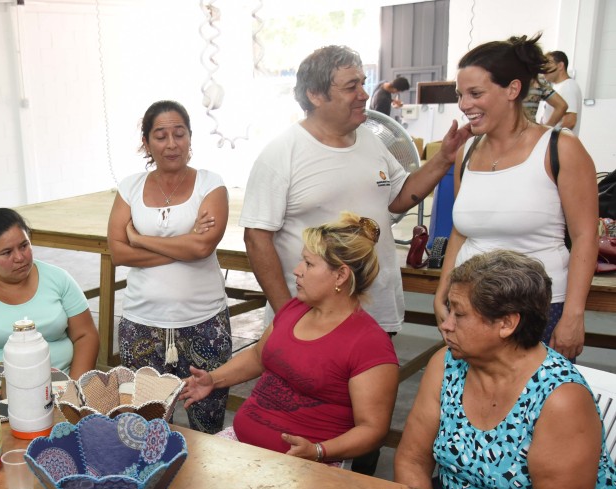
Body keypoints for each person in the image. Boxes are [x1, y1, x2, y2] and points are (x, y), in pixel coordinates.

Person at [396, 250, 616, 489]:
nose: (445, 325)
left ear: (507, 324)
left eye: (459, 314)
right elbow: (413, 459)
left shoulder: (559, 398)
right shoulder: (447, 364)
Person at [241, 45, 470, 335]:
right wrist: (286, 314)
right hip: (312, 319)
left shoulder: (371, 141)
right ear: (315, 94)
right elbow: (256, 238)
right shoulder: (282, 154)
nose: (363, 93)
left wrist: (443, 158)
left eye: (362, 83)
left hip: (376, 312)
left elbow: (399, 199)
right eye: (352, 86)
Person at [179, 212, 399, 464]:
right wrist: (214, 380)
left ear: (340, 275)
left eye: (308, 263)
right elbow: (258, 356)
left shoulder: (369, 343)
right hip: (242, 444)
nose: (297, 271)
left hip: (304, 467)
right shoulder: (295, 309)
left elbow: (372, 429)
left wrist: (318, 451)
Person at [433, 35, 599, 360]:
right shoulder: (466, 152)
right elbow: (460, 231)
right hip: (471, 307)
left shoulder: (559, 148)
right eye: (460, 95)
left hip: (536, 310)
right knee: (472, 406)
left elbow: (585, 236)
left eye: (475, 93)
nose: (464, 105)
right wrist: (444, 289)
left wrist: (574, 314)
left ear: (512, 90)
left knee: (536, 407)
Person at [107, 100, 231, 434]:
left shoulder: (210, 184)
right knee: (147, 426)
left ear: (190, 138)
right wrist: (185, 244)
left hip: (205, 322)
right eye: (161, 136)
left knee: (208, 425)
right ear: (146, 143)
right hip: (142, 323)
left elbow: (203, 246)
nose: (171, 143)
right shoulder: (130, 187)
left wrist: (141, 239)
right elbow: (118, 251)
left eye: (179, 133)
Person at [0, 208, 98, 378]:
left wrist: (74, 389)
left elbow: (86, 335)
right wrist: (8, 392)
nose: (20, 257)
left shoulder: (58, 279)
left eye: (24, 246)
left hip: (64, 385)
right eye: (7, 252)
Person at [540, 49, 582, 135]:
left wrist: (547, 136)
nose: (544, 68)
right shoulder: (559, 86)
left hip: (557, 145)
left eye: (548, 63)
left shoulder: (568, 86)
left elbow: (570, 122)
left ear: (560, 66)